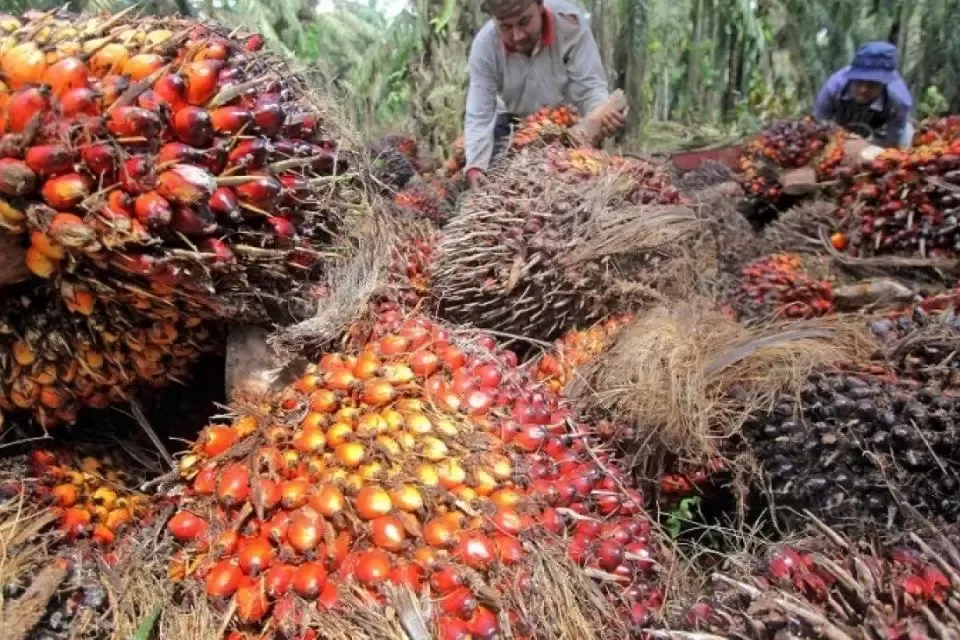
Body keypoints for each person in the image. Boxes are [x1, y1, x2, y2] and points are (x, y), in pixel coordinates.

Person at [463, 0, 625, 189]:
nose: (517, 36)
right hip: (513, 126)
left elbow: (590, 87)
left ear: (540, 5)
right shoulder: (485, 46)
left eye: (524, 22)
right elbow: (480, 114)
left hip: (565, 124)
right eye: (506, 27)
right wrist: (475, 166)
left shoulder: (570, 26)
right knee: (504, 183)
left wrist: (601, 119)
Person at [813, 41, 914, 149]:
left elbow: (891, 142)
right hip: (840, 130)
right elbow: (817, 125)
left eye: (872, 84)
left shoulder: (899, 101)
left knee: (906, 135)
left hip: (878, 134)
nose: (863, 90)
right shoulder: (833, 88)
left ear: (883, 83)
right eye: (859, 81)